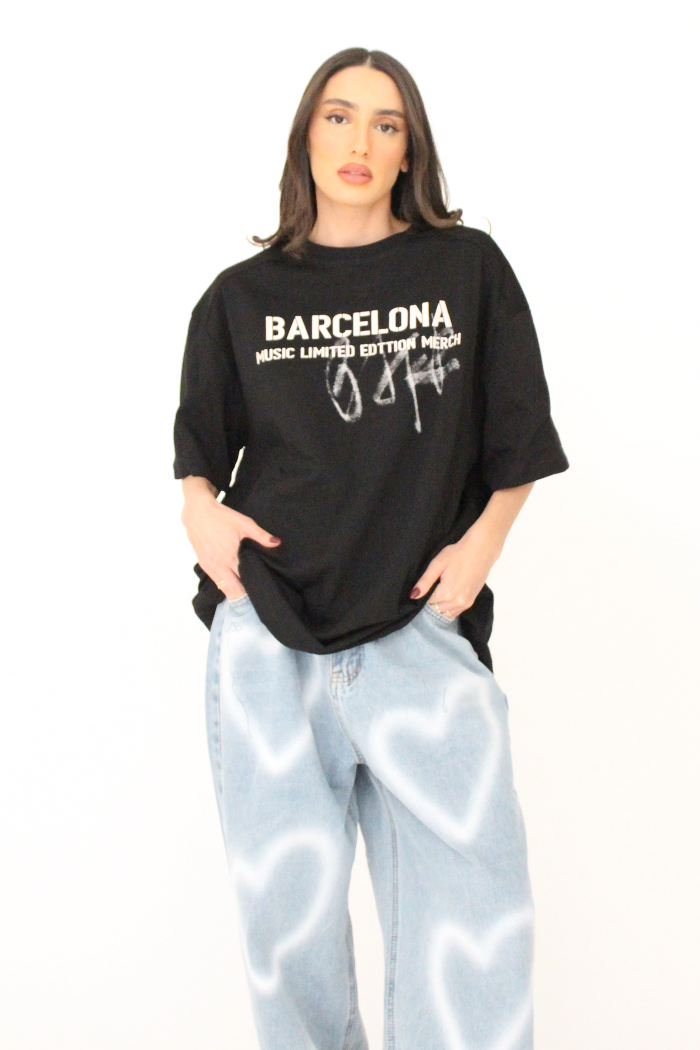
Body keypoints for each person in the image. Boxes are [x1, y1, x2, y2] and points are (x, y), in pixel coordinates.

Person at [173, 46, 568, 1050]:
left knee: (475, 929)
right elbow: (200, 450)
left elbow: (518, 432)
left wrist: (481, 546)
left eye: (386, 124)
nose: (360, 141)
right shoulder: (240, 297)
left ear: (409, 150)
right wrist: (199, 511)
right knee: (290, 943)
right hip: (269, 643)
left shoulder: (465, 269)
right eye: (339, 116)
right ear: (306, 137)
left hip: (419, 637)